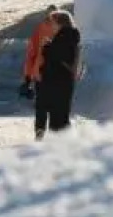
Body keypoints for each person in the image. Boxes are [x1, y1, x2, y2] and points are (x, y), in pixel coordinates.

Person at [34, 10, 81, 140]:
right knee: (60, 116)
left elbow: (59, 57)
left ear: (60, 23)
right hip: (61, 82)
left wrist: (47, 47)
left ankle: (63, 147)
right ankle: (63, 145)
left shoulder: (65, 37)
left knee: (58, 118)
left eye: (53, 22)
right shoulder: (67, 36)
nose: (51, 25)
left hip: (58, 82)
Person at [19, 4, 60, 100]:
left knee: (41, 104)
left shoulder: (42, 28)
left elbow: (31, 54)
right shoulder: (62, 30)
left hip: (42, 71)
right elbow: (31, 54)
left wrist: (27, 78)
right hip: (52, 71)